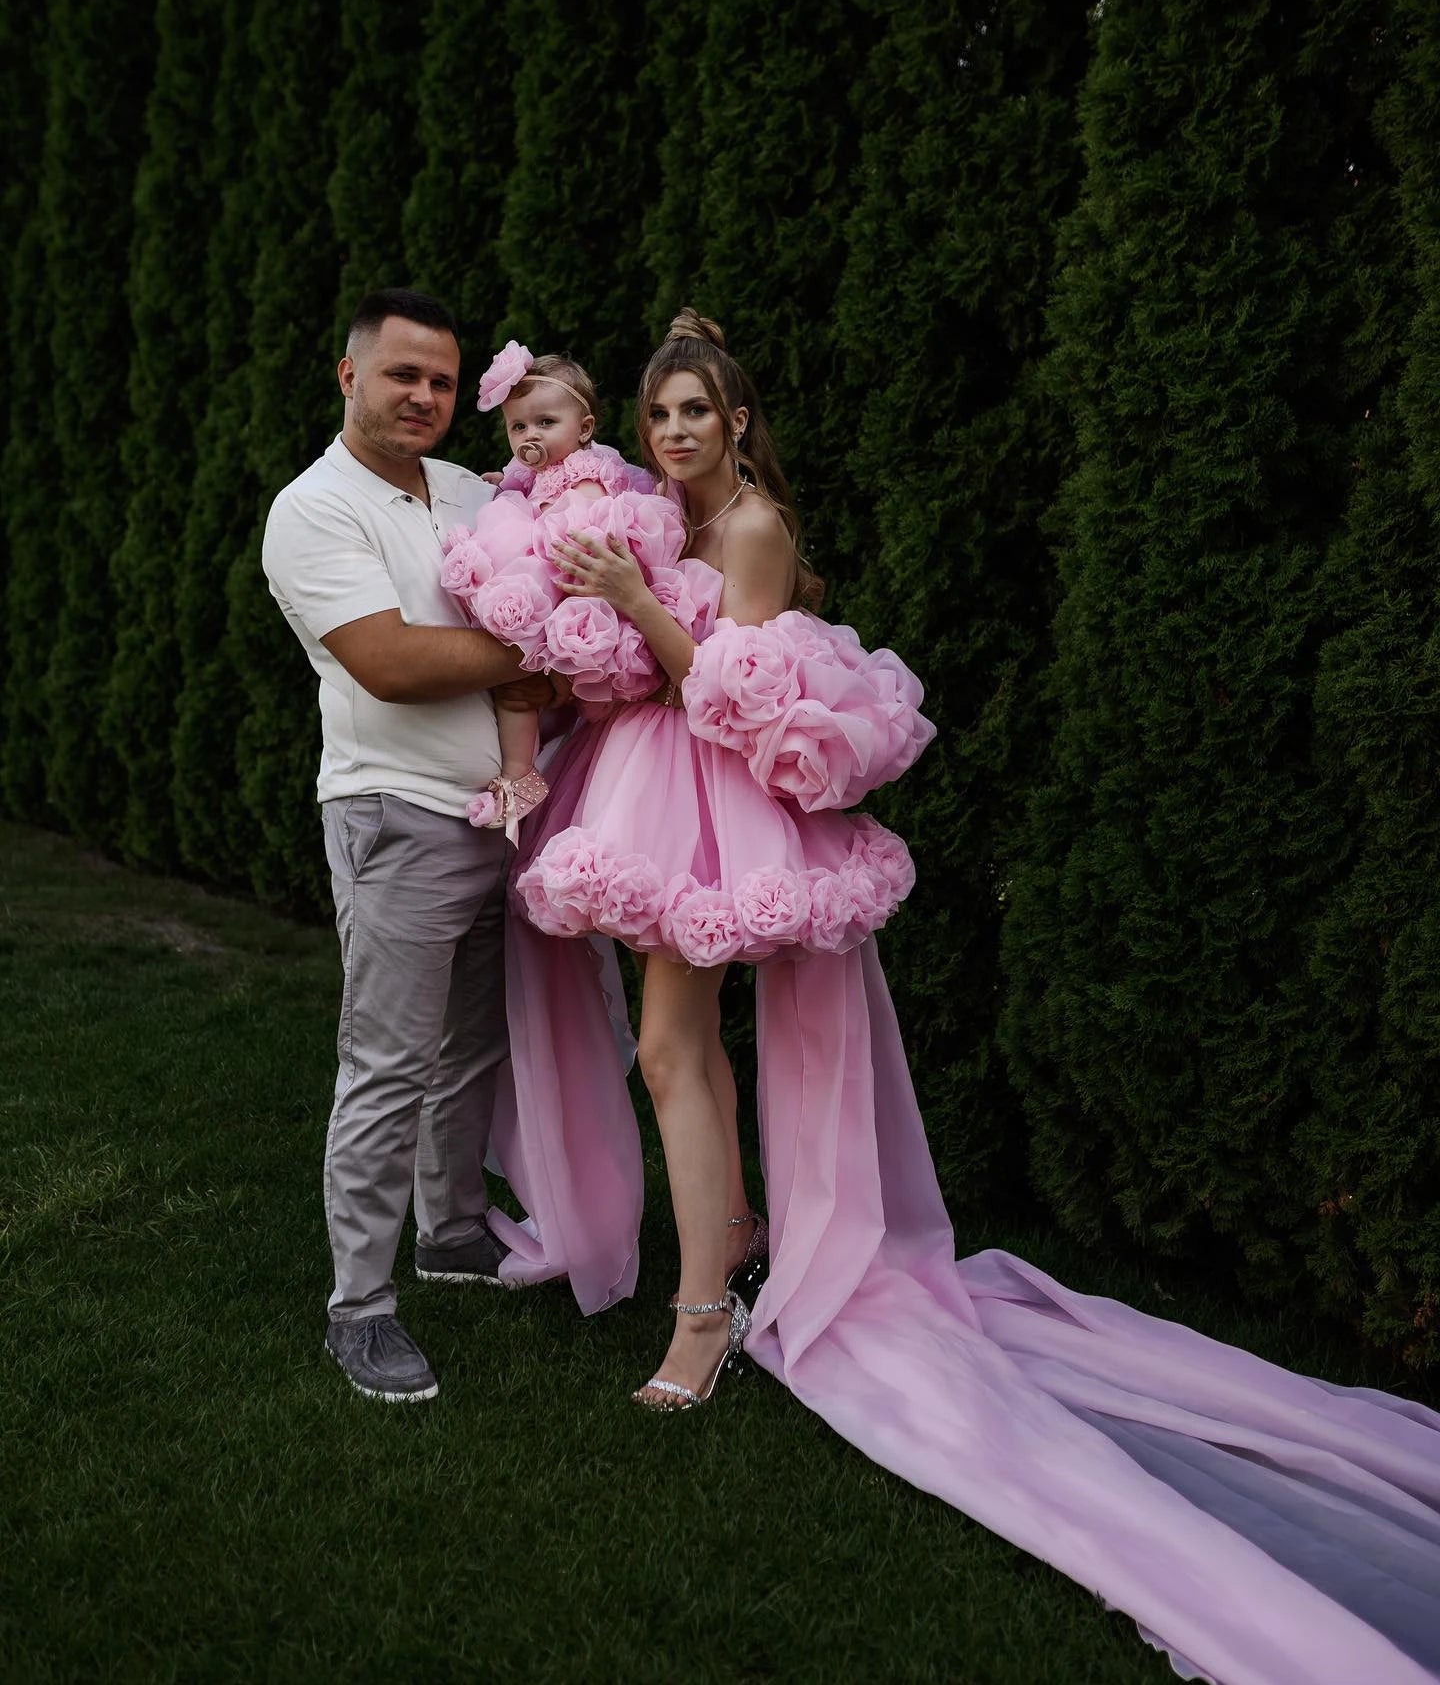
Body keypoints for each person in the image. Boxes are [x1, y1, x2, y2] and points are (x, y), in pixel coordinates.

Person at [492, 310, 1440, 1683]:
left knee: (667, 1044)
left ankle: (708, 1311)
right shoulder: (656, 511)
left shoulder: (748, 528)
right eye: (660, 418)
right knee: (670, 1048)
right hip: (645, 785)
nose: (677, 435)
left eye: (699, 413)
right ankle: (730, 1238)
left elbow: (737, 700)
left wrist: (639, 609)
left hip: (712, 801)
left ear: (741, 423)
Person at [261, 287, 555, 1404]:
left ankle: (452, 1228)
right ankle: (361, 1310)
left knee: (474, 1043)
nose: (425, 395)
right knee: (387, 1065)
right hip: (395, 814)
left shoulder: (476, 491)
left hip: (498, 813)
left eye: (441, 379)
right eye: (402, 375)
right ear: (350, 378)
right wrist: (530, 644)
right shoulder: (313, 510)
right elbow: (388, 660)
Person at [460, 341, 650, 841]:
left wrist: (534, 521)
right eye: (518, 426)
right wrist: (506, 480)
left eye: (545, 423)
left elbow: (586, 527)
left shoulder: (590, 472)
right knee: (516, 690)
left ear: (583, 429)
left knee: (525, 687)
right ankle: (520, 772)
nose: (530, 436)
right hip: (550, 594)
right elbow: (524, 478)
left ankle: (523, 770)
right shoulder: (537, 471)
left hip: (578, 591)